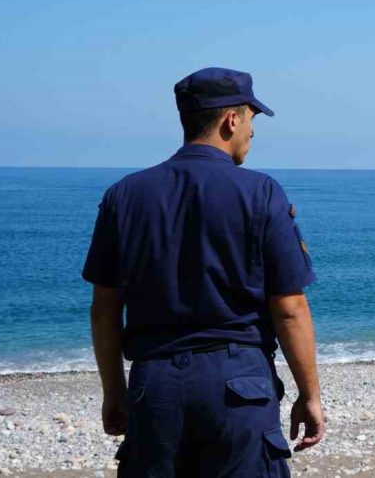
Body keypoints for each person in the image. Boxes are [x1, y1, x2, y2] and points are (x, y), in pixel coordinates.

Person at [83, 67, 325, 476]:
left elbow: (105, 310)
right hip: (239, 386)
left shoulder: (123, 195)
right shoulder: (261, 192)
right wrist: (310, 394)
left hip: (153, 385)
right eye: (251, 120)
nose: (252, 132)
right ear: (232, 120)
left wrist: (114, 392)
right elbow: (289, 308)